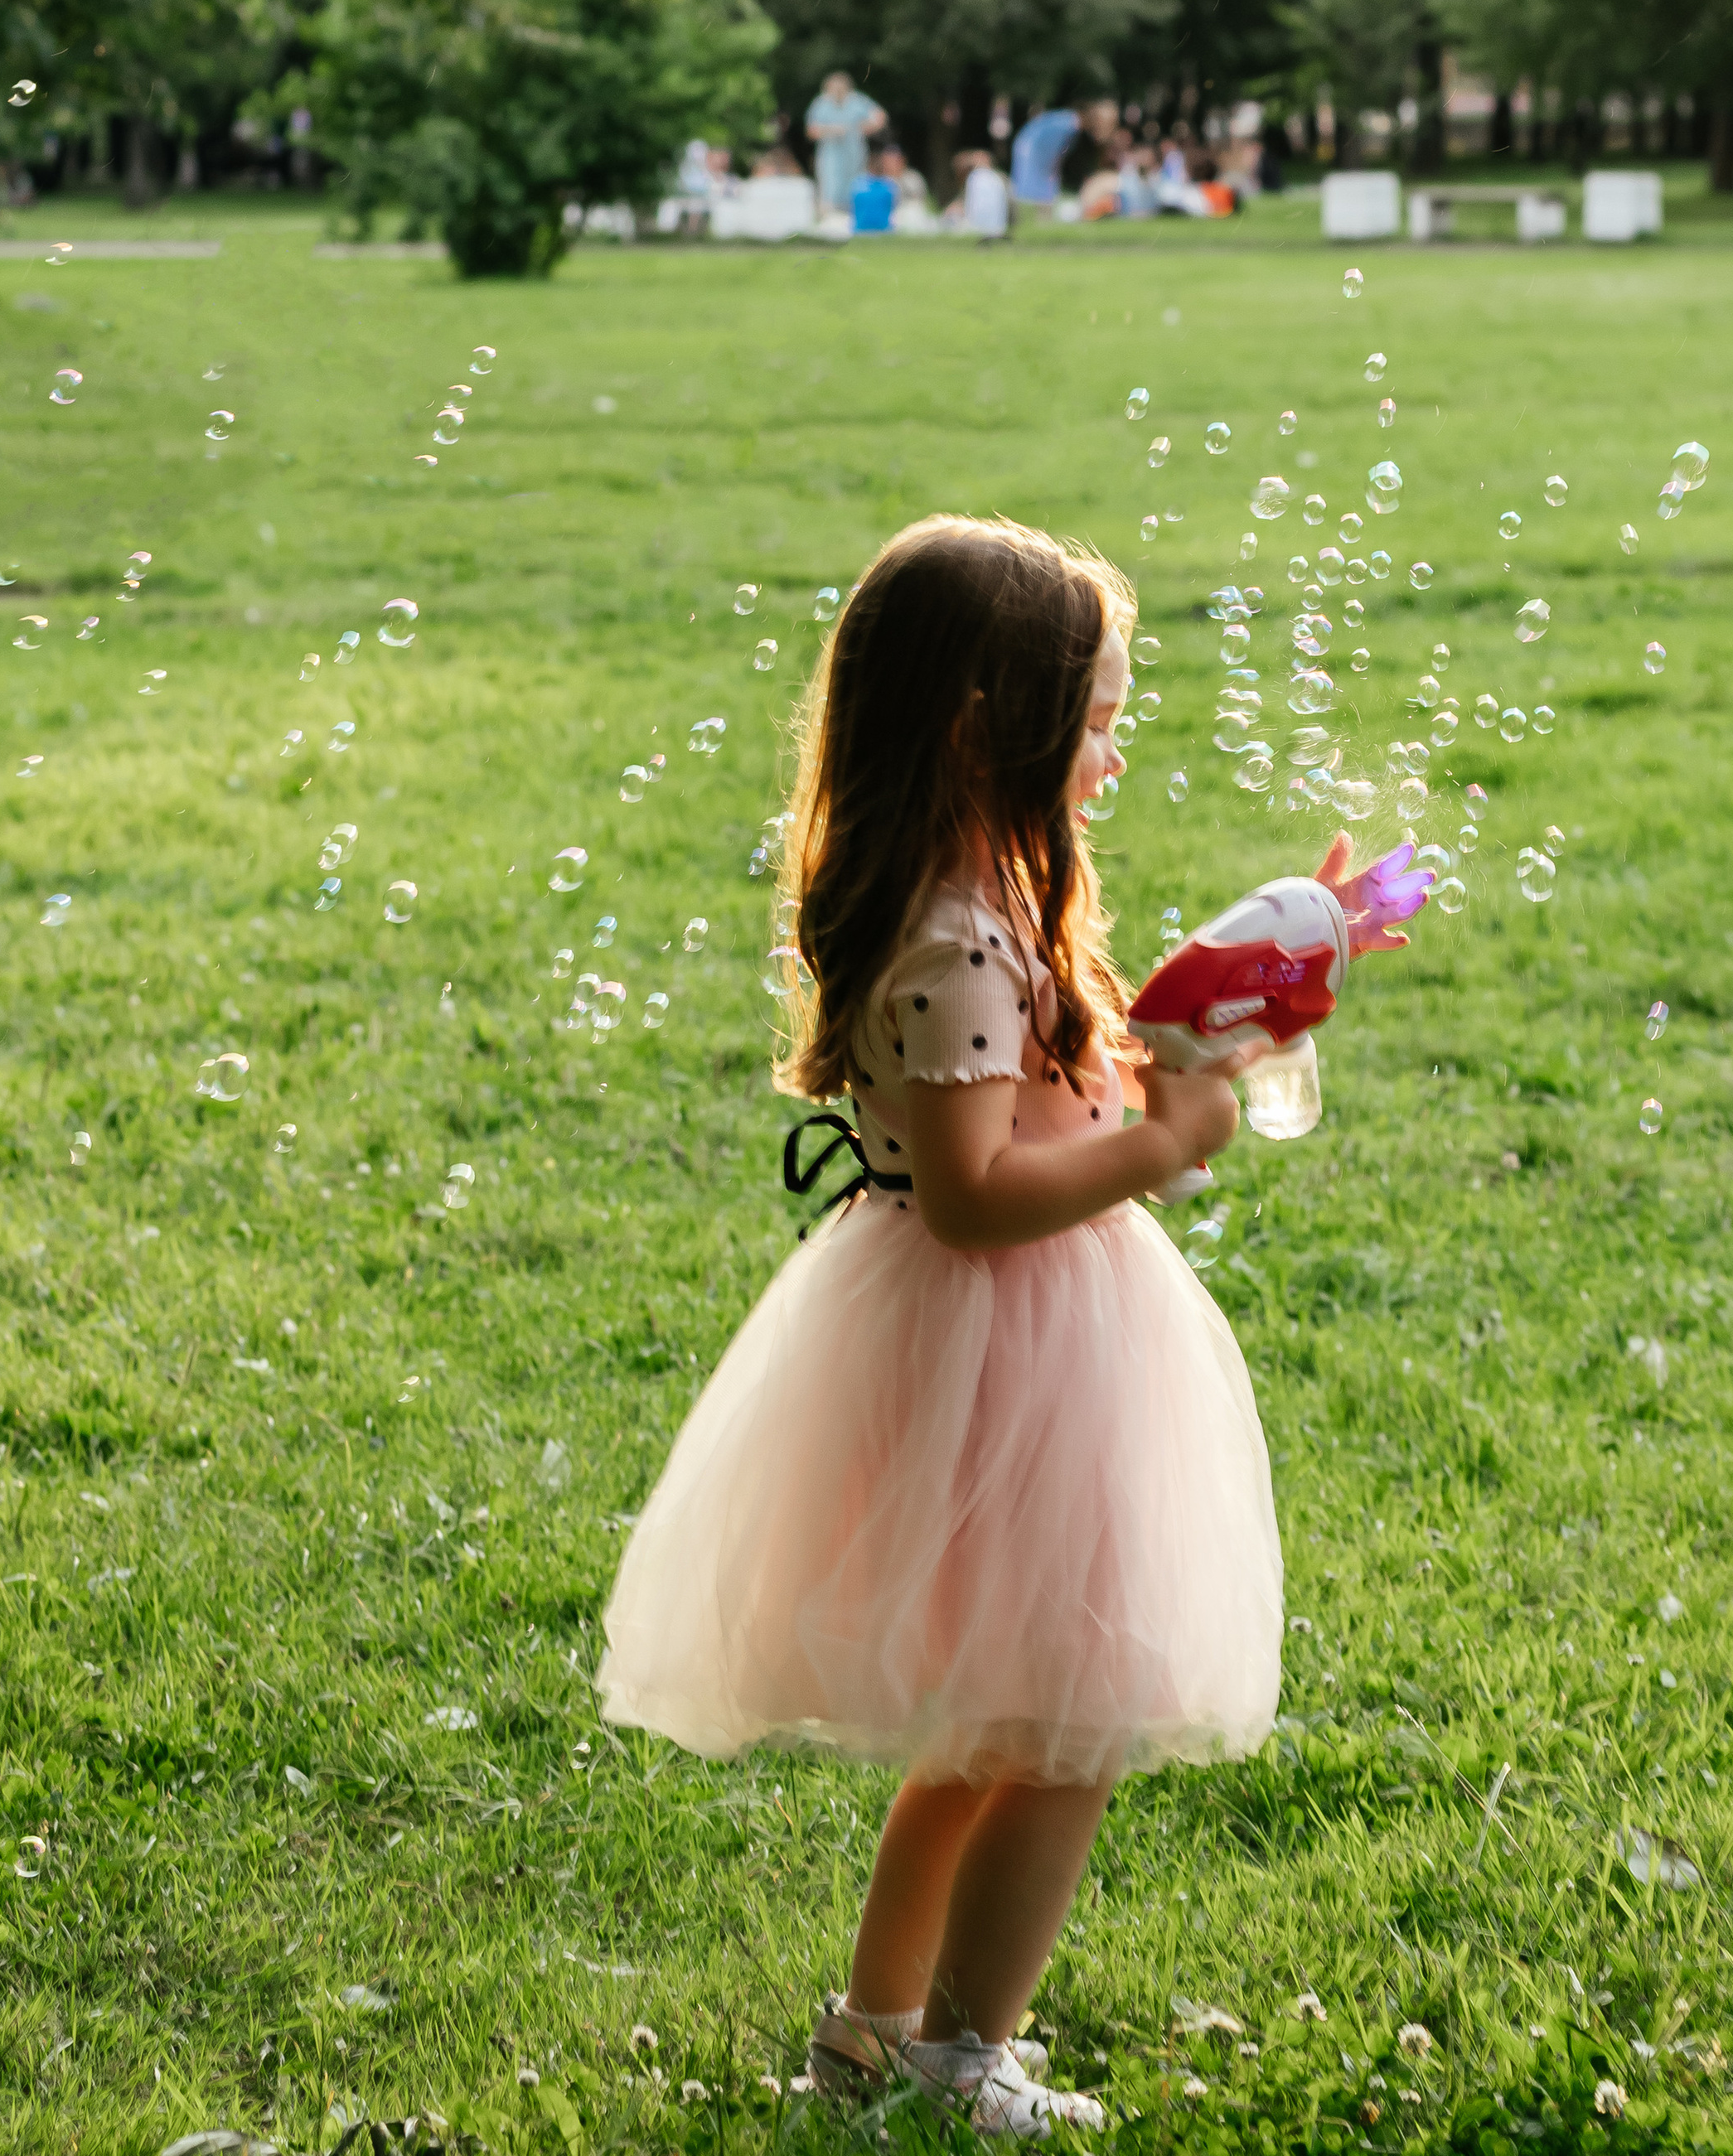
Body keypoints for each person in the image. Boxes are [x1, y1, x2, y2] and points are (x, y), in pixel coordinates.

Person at [594, 519, 1418, 2138]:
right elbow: (976, 1195)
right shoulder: (954, 938)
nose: (1113, 753)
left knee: (1005, 1727)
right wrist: (1167, 1149)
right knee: (1056, 1731)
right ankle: (949, 2056)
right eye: (1095, 720)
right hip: (1002, 1339)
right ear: (987, 725)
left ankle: (877, 2039)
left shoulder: (980, 903)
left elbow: (1063, 1078)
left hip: (1016, 1340)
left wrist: (1281, 954)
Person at [806, 71, 888, 215]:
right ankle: (829, 218)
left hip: (855, 155)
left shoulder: (858, 101)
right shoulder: (821, 104)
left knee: (855, 187)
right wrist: (831, 130)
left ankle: (855, 218)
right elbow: (811, 131)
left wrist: (867, 126)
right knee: (830, 187)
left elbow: (880, 117)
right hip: (830, 156)